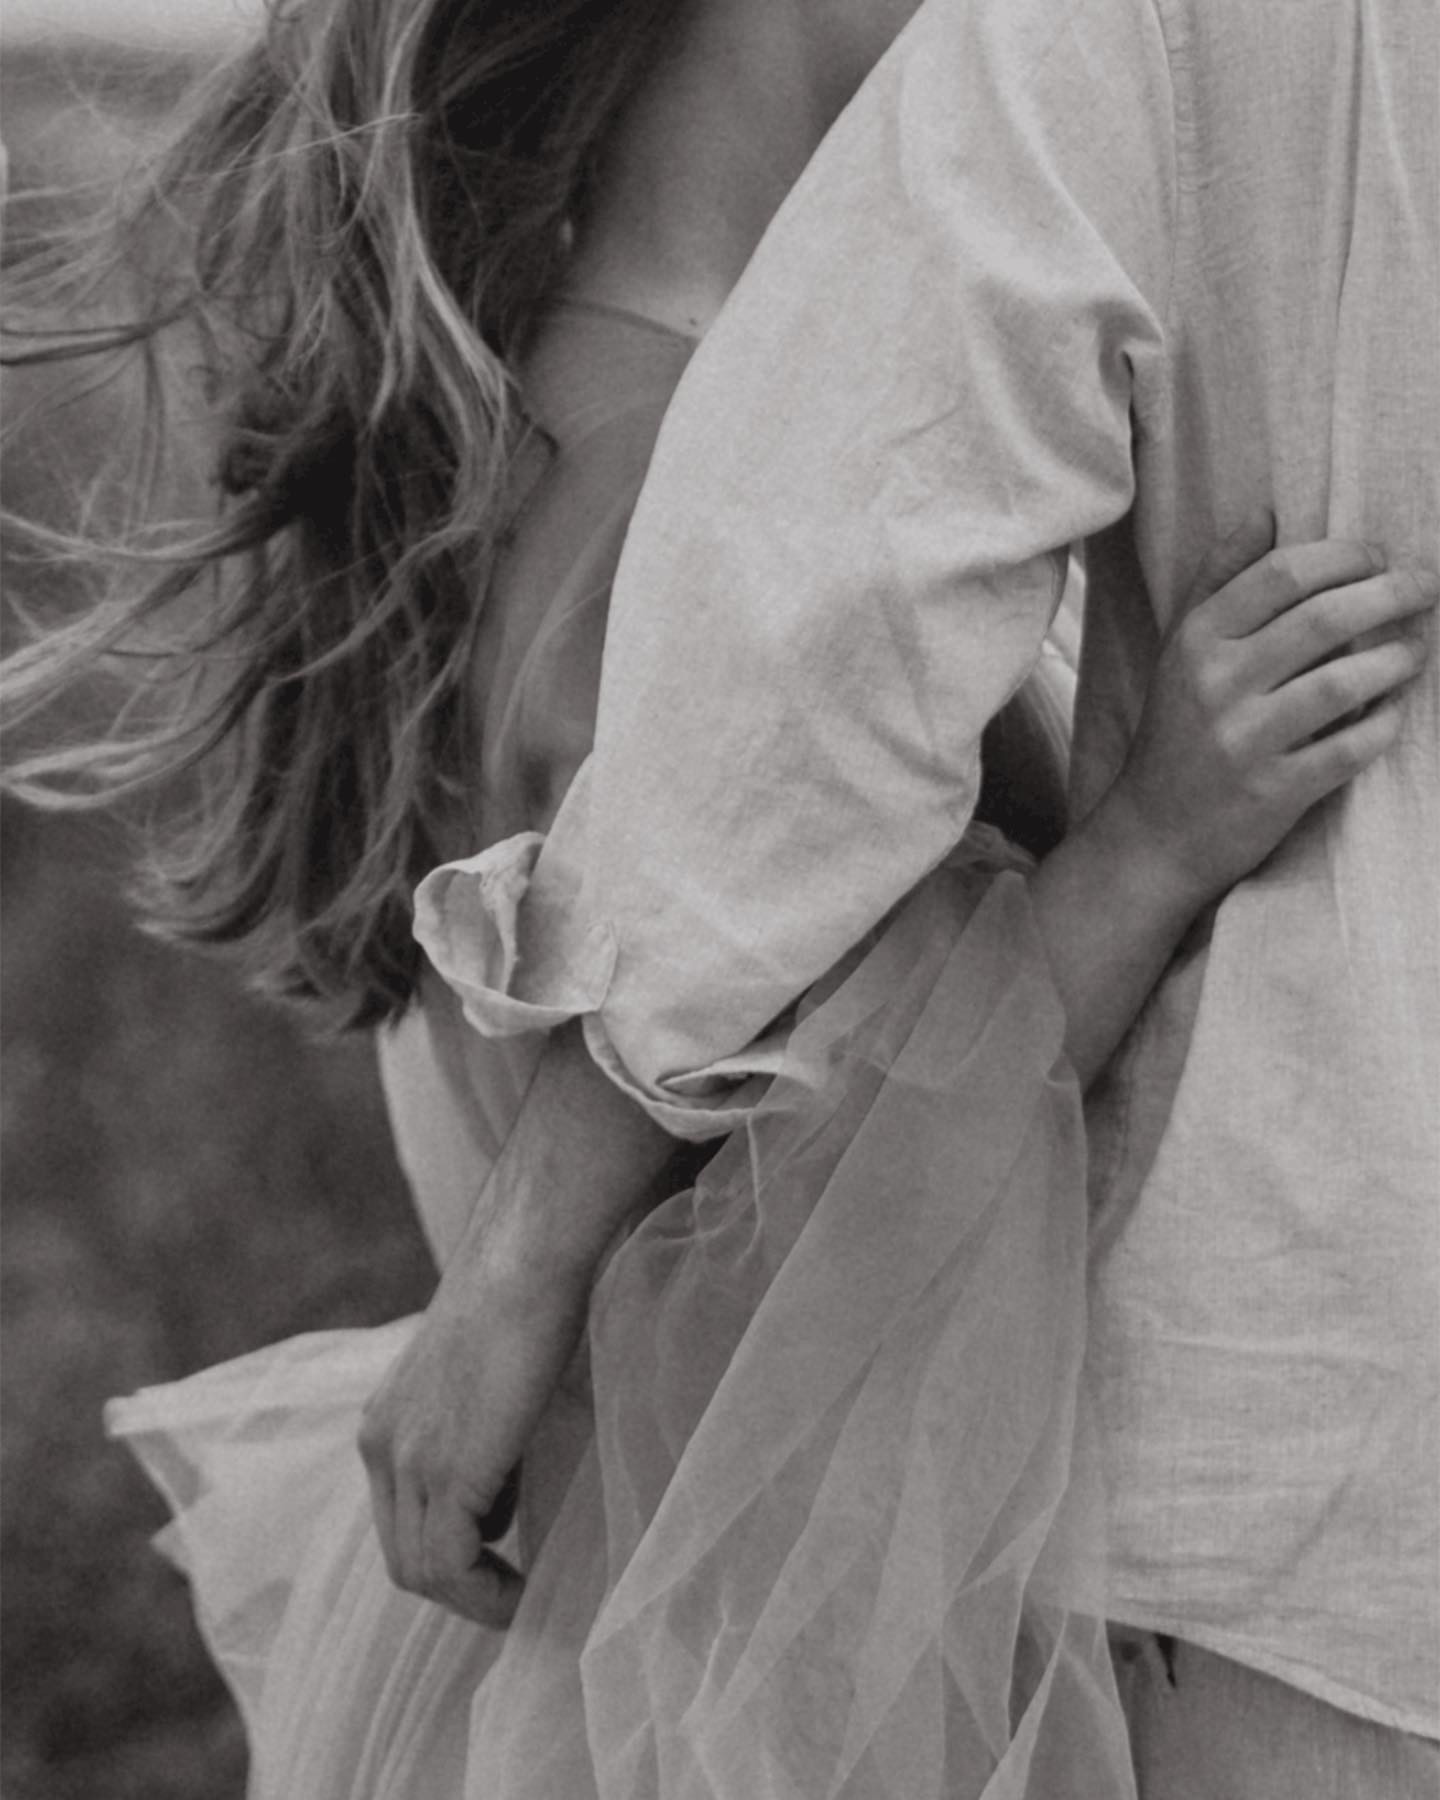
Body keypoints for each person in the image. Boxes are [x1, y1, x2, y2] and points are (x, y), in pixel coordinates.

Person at [3, 2, 1432, 1797]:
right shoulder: (693, 508)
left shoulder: (547, 407)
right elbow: (808, 1205)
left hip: (673, 1632)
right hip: (788, 1664)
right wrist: (1155, 842)